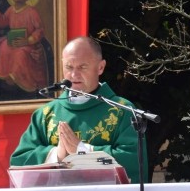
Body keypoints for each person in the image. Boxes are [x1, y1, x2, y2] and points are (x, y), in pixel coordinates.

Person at [10, 36, 145, 183]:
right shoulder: (45, 114)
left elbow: (133, 160)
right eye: (69, 67)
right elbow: (19, 161)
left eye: (82, 67)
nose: (74, 75)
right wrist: (57, 154)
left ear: (100, 67)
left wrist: (82, 150)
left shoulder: (122, 110)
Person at [0, 0, 49, 93]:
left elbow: (40, 29)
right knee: (4, 46)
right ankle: (8, 76)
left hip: (28, 45)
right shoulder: (11, 10)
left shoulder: (31, 12)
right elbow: (1, 22)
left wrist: (28, 40)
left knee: (20, 54)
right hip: (14, 42)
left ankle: (20, 78)